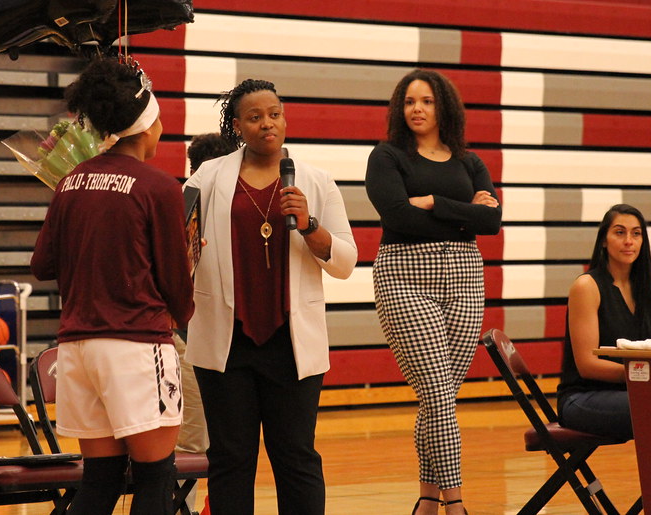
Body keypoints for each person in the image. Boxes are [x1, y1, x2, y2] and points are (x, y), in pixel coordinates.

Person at [184, 78, 357, 515]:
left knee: (296, 457)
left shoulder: (316, 182)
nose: (267, 124)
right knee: (230, 460)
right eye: (255, 117)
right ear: (237, 126)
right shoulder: (207, 177)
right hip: (227, 344)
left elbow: (345, 261)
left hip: (291, 345)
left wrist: (310, 224)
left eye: (275, 113)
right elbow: (181, 252)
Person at [30, 58, 195, 515]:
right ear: (146, 124)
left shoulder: (70, 182)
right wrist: (186, 312)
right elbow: (175, 283)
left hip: (77, 350)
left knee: (100, 483)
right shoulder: (159, 187)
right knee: (156, 478)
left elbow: (43, 264)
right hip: (135, 345)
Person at [364, 68, 501, 515]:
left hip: (464, 277)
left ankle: (427, 497)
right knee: (439, 392)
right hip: (404, 277)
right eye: (409, 102)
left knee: (436, 395)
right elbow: (398, 217)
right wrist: (465, 213)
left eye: (425, 101)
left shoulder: (470, 161)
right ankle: (456, 503)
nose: (417, 109)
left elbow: (493, 221)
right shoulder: (387, 157)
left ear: (443, 107)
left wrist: (436, 204)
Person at [557, 204, 651, 443]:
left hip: (631, 391)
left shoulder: (650, 289)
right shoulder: (587, 286)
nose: (629, 241)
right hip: (583, 398)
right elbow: (587, 364)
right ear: (604, 240)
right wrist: (642, 375)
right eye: (619, 232)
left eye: (636, 234)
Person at [174, 132, 235, 457]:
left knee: (223, 443)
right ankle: (187, 509)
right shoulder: (186, 204)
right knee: (193, 443)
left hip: (220, 340)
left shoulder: (233, 206)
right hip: (185, 338)